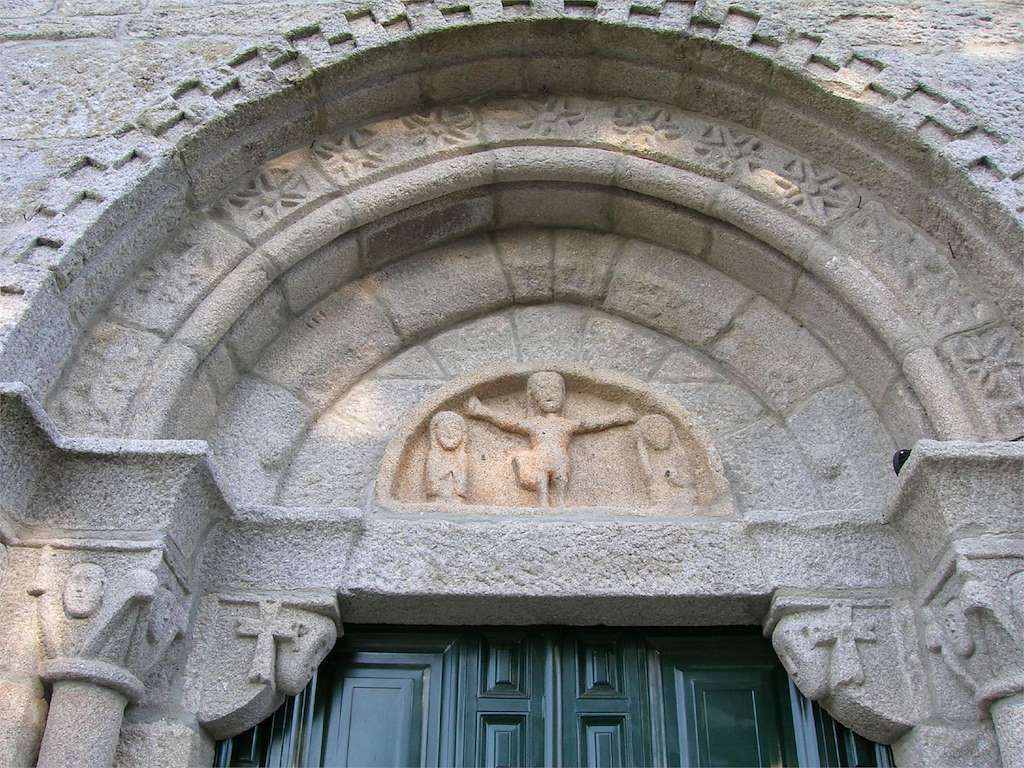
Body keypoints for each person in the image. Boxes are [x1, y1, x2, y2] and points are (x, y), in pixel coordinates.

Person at [466, 371, 636, 506]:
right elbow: (509, 423)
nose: (550, 395)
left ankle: (560, 504)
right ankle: (543, 504)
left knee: (561, 478)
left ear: (562, 395)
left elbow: (592, 424)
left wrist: (618, 417)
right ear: (534, 398)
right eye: (544, 391)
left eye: (555, 390)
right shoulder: (534, 423)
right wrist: (483, 412)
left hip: (560, 459)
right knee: (541, 481)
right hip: (540, 458)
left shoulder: (566, 424)